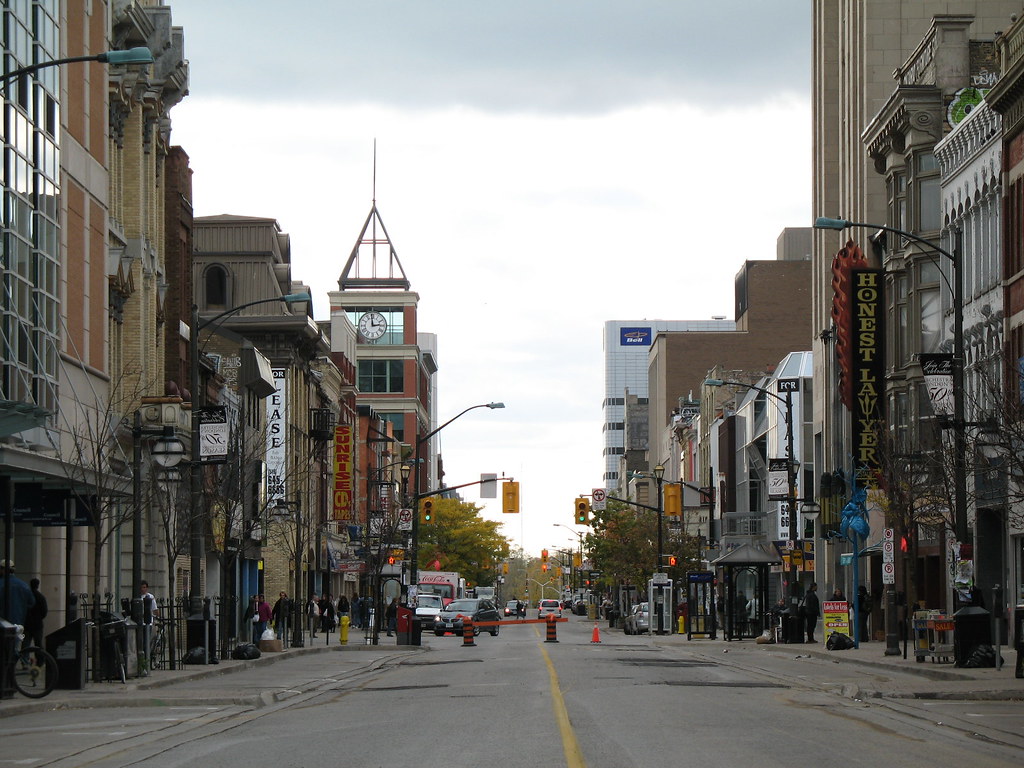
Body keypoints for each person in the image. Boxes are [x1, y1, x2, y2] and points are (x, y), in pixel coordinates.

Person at [0, 560, 34, 626]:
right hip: (18, 623)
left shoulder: (1, 584)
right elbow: (31, 602)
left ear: (3, 569)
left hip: (2, 623)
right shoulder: (24, 585)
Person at [23, 578, 47, 649]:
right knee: (38, 644)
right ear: (37, 585)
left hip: (27, 624)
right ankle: (40, 659)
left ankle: (24, 658)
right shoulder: (41, 597)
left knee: (25, 644)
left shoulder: (26, 596)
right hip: (37, 624)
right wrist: (39, 618)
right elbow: (44, 611)